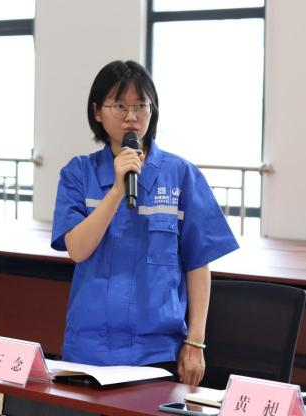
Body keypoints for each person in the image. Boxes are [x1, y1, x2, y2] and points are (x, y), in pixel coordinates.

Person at [50, 60, 239, 385]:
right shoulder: (78, 174)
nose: (131, 116)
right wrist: (116, 190)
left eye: (141, 105)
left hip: (157, 352)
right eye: (119, 105)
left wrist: (196, 342)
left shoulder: (181, 175)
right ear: (97, 112)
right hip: (89, 349)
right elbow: (78, 250)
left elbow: (198, 264)